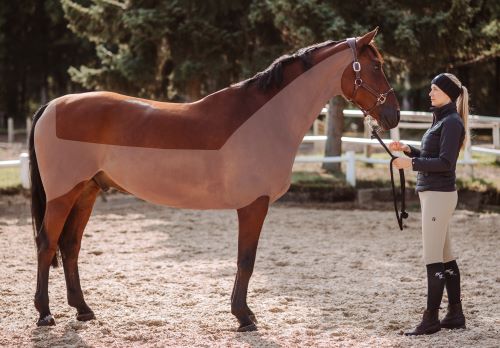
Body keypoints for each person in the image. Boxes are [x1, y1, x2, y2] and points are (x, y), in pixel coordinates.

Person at [389, 73, 468, 336]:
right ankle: (455, 314)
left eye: (434, 89)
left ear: (447, 93)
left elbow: (446, 163)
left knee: (432, 258)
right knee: (445, 256)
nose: (430, 93)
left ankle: (430, 320)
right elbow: (434, 156)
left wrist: (409, 165)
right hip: (436, 195)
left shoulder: (452, 122)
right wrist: (412, 151)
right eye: (431, 89)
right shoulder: (443, 120)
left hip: (438, 195)